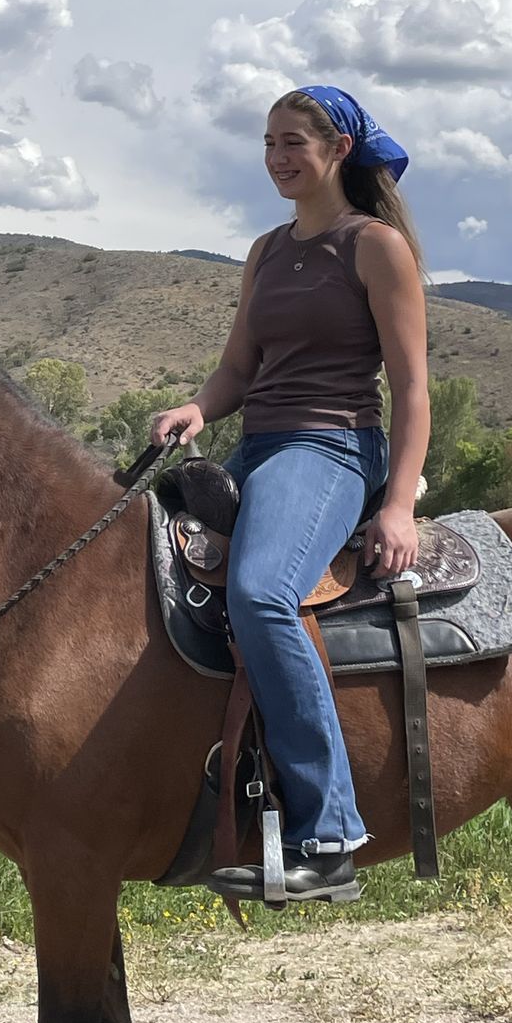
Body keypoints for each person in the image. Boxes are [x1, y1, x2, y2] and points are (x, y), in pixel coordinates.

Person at [150, 85, 430, 902]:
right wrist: (198, 408)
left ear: (339, 149)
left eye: (293, 143)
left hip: (332, 447)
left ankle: (329, 834)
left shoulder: (374, 246)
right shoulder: (267, 250)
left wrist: (399, 504)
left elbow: (413, 389)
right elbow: (239, 368)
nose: (277, 158)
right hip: (258, 445)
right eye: (268, 143)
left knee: (261, 594)